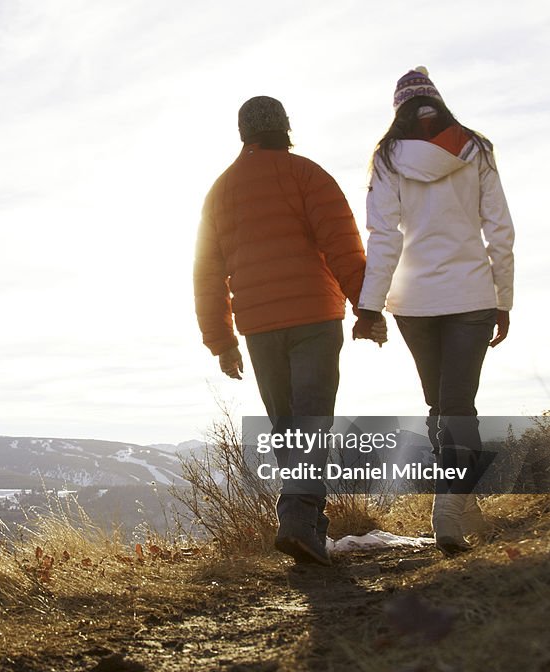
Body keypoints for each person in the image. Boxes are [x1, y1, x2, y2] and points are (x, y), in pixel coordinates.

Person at [193, 96, 384, 567]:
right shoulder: (307, 175)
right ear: (285, 127)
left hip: (259, 327)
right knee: (312, 419)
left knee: (286, 428)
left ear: (244, 134)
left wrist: (222, 341)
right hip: (315, 319)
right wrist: (366, 308)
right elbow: (343, 246)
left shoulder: (220, 191)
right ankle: (298, 519)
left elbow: (206, 274)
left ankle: (309, 528)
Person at [357, 67, 515, 555]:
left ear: (399, 110)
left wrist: (370, 305)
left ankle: (459, 507)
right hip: (471, 295)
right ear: (438, 104)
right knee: (458, 404)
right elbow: (501, 233)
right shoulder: (475, 149)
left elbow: (384, 237)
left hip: (415, 301)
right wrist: (503, 300)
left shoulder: (386, 158)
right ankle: (450, 507)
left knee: (440, 405)